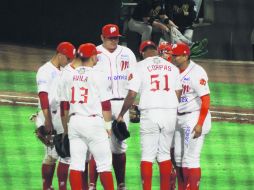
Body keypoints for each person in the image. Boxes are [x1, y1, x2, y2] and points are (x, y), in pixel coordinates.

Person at [117, 40, 182, 190]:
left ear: (141, 52)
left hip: (150, 114)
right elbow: (178, 92)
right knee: (165, 155)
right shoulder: (172, 68)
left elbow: (132, 94)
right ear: (157, 50)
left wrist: (121, 114)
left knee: (147, 156)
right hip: (170, 113)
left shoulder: (139, 66)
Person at [88, 24, 137, 190]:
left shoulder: (127, 53)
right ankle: (92, 184)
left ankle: (121, 184)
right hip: (100, 105)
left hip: (122, 103)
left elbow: (134, 80)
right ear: (102, 37)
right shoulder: (94, 52)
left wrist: (132, 103)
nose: (113, 40)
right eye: (110, 38)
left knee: (119, 147)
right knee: (98, 144)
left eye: (115, 37)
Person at [60, 43, 115, 190]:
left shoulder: (69, 75)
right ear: (92, 57)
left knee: (76, 164)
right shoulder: (99, 75)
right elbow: (106, 105)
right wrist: (108, 126)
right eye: (96, 54)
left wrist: (66, 129)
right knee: (104, 165)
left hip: (75, 123)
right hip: (94, 124)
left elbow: (64, 106)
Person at [171, 43, 212, 190]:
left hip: (194, 118)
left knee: (191, 159)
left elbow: (206, 100)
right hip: (178, 119)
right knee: (178, 158)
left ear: (186, 56)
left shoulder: (197, 72)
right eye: (173, 55)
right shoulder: (173, 70)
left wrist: (199, 123)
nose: (173, 57)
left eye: (176, 55)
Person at [35, 42, 76, 190]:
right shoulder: (44, 70)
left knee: (54, 154)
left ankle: (48, 186)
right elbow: (43, 96)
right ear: (59, 54)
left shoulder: (65, 70)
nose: (69, 60)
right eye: (68, 57)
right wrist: (47, 120)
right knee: (61, 154)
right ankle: (50, 186)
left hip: (60, 115)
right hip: (50, 115)